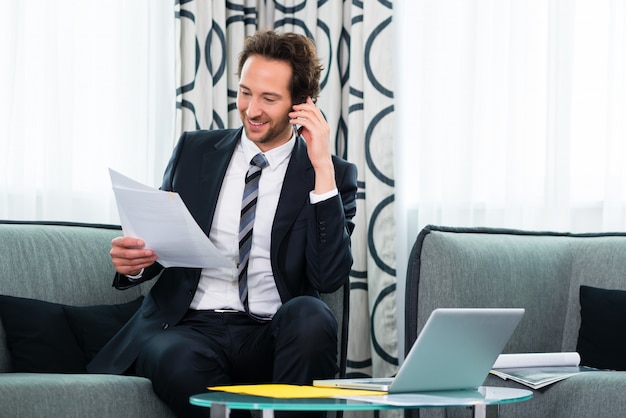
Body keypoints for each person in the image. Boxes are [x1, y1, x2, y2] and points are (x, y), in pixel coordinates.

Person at [87, 29, 358, 418]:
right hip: (191, 329)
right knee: (174, 355)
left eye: (269, 98)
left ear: (301, 104)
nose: (251, 110)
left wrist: (321, 167)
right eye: (245, 92)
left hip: (270, 332)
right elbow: (163, 241)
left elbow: (329, 276)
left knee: (312, 317)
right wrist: (136, 263)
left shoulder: (330, 175)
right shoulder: (194, 152)